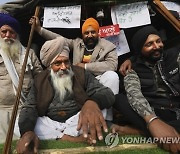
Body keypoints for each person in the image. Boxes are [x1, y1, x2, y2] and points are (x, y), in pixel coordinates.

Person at [16, 37, 115, 153]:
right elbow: (29, 107)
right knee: (19, 124)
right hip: (51, 124)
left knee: (98, 110)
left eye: (66, 62)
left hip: (77, 121)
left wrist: (92, 102)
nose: (63, 67)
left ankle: (65, 135)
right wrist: (27, 132)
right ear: (49, 66)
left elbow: (107, 94)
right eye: (57, 63)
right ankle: (68, 137)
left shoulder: (80, 73)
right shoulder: (39, 80)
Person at [30, 16, 119, 123]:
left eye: (93, 32)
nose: (90, 35)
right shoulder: (77, 43)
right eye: (86, 33)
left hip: (98, 81)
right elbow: (59, 39)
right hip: (79, 82)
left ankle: (105, 120)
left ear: (98, 32)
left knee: (112, 76)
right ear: (82, 34)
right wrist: (39, 29)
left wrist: (85, 66)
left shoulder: (108, 46)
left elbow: (112, 65)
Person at [115, 25, 180, 153]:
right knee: (119, 100)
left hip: (177, 110)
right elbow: (134, 95)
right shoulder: (132, 69)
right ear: (140, 49)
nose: (156, 46)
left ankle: (138, 131)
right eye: (149, 44)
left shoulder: (174, 56)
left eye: (158, 41)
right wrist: (152, 120)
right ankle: (156, 129)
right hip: (153, 113)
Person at [0, 12, 42, 143]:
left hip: (25, 109)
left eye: (11, 32)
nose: (8, 36)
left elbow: (40, 79)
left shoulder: (29, 54)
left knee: (24, 145)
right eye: (4, 31)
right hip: (1, 110)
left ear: (17, 35)